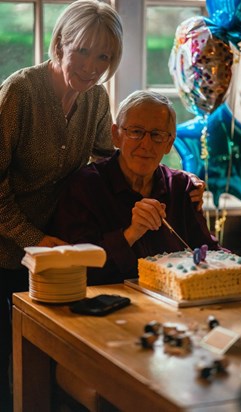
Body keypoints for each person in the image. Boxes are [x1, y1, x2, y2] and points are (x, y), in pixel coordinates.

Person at [0, 1, 123, 409]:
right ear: (61, 43)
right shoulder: (20, 91)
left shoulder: (96, 100)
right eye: (83, 51)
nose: (91, 66)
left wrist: (174, 180)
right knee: (9, 374)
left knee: (48, 372)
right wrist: (33, 239)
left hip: (56, 255)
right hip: (6, 253)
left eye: (103, 56)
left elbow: (108, 167)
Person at [50, 90, 219, 286]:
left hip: (173, 305)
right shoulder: (86, 187)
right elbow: (75, 268)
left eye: (157, 135)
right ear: (116, 136)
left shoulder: (181, 187)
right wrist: (131, 233)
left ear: (169, 143)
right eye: (136, 132)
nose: (146, 144)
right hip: (105, 307)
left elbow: (208, 251)